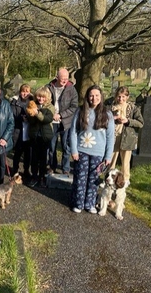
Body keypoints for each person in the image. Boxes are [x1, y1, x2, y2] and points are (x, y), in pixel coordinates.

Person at [69, 85, 115, 214]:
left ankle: (89, 204)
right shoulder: (80, 111)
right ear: (87, 97)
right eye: (91, 95)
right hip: (81, 151)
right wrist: (74, 150)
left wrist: (108, 156)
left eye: (97, 96)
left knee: (93, 180)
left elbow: (111, 137)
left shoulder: (108, 114)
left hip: (98, 154)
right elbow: (73, 132)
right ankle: (78, 203)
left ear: (101, 97)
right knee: (80, 179)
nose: (94, 98)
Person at [109, 86, 144, 185]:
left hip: (127, 137)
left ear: (127, 97)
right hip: (113, 136)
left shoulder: (133, 108)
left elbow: (140, 123)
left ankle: (125, 179)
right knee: (111, 159)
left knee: (125, 161)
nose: (121, 99)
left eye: (123, 97)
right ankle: (108, 177)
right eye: (119, 96)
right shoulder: (110, 106)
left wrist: (128, 121)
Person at [47, 68, 79, 176]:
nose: (65, 81)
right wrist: (51, 115)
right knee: (52, 146)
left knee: (66, 146)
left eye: (66, 78)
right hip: (52, 122)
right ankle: (52, 166)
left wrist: (61, 115)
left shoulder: (72, 89)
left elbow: (74, 107)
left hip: (66, 122)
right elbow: (44, 102)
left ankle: (66, 169)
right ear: (57, 78)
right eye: (62, 79)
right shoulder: (49, 87)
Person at [26, 86, 55, 187]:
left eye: (43, 97)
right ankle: (34, 176)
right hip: (35, 136)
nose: (41, 99)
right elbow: (31, 121)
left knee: (43, 159)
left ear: (47, 98)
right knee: (34, 158)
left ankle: (42, 177)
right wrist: (30, 115)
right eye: (39, 97)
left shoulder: (50, 107)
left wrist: (37, 113)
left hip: (44, 136)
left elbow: (47, 119)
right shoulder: (33, 105)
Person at [10, 84, 33, 178]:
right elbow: (11, 116)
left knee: (28, 154)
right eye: (23, 91)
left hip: (28, 131)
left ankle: (26, 170)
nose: (25, 93)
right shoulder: (14, 102)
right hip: (18, 131)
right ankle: (15, 170)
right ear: (20, 92)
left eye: (27, 91)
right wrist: (20, 118)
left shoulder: (32, 101)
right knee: (17, 153)